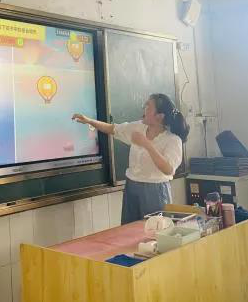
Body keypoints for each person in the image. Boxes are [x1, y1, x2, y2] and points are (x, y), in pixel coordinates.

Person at [73, 93, 189, 224]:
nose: (144, 108)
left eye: (148, 106)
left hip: (155, 190)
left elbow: (168, 169)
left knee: (154, 231)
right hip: (132, 186)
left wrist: (147, 144)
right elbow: (113, 129)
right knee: (128, 230)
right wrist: (89, 121)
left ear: (159, 116)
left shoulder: (173, 140)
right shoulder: (138, 127)